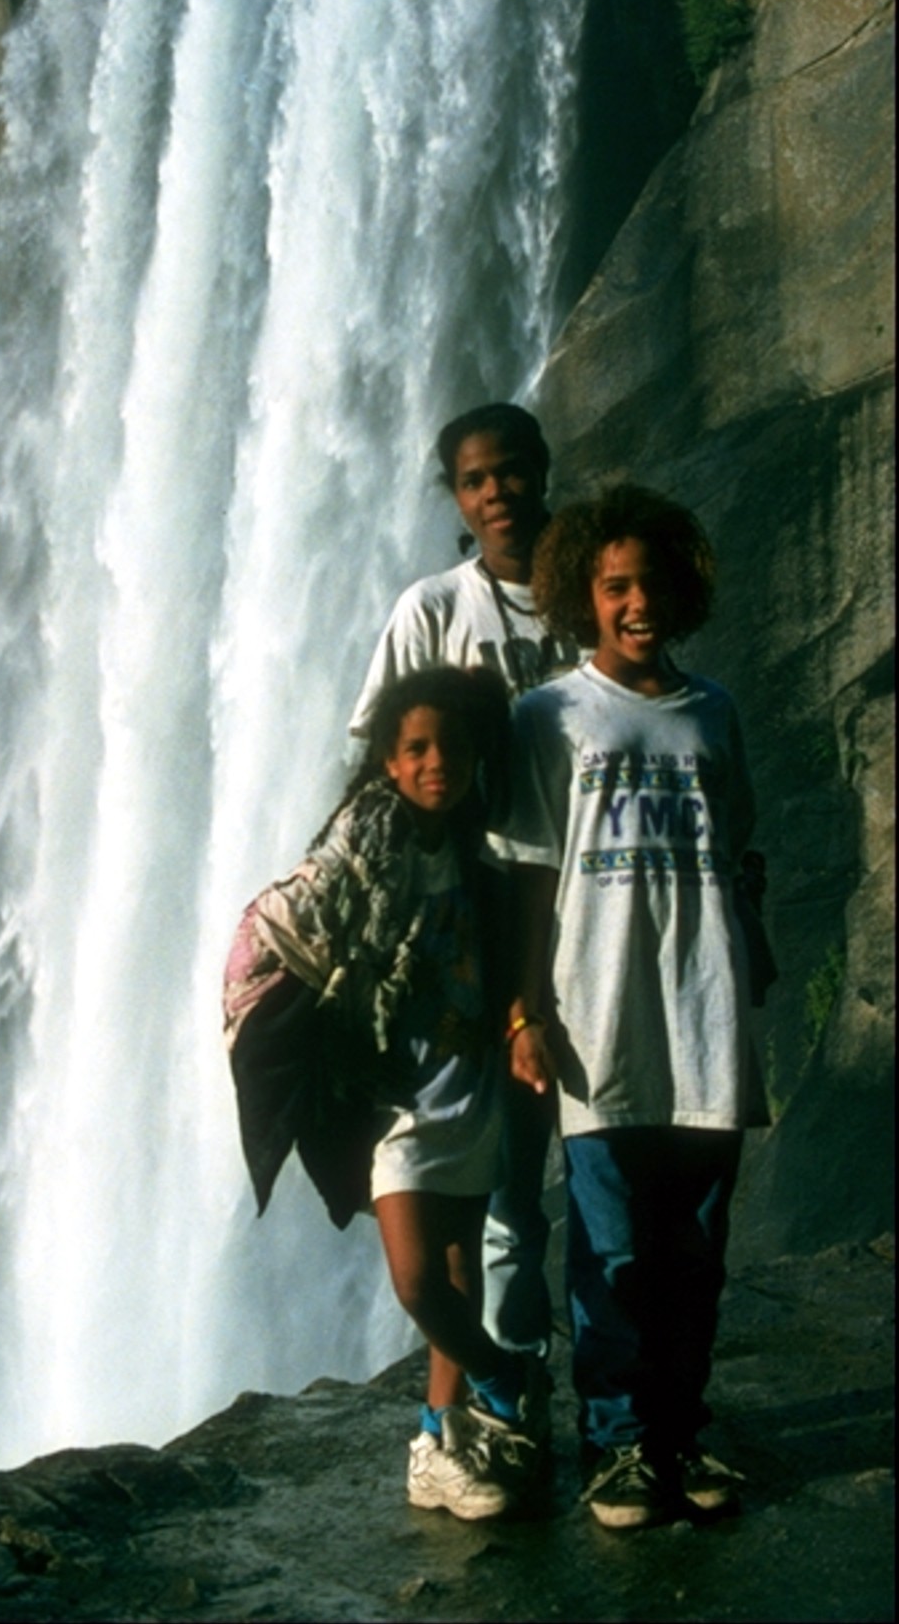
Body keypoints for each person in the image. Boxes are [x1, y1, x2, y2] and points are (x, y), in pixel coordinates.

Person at [224, 667, 548, 1521]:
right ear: (388, 763)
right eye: (416, 749)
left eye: (452, 746)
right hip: (394, 1099)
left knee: (459, 1267)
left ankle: (438, 1442)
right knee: (416, 1281)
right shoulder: (361, 846)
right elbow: (279, 920)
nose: (437, 762)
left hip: (467, 1085)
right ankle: (503, 1374)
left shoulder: (479, 852)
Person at [493, 484, 758, 1529]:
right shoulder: (548, 716)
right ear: (582, 597)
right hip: (597, 1020)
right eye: (614, 587)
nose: (635, 602)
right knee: (610, 1253)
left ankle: (679, 1432)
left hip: (707, 1020)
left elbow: (738, 856)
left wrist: (752, 977)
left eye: (650, 583)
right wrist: (525, 1013)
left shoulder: (713, 712)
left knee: (694, 1253)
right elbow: (527, 878)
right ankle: (615, 1445)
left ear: (681, 589)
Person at [350, 404, 580, 1390]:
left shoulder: (594, 597)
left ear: (543, 470)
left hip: (593, 903)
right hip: (476, 922)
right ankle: (503, 1395)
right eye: (475, 480)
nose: (497, 494)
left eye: (511, 471)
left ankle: (590, 1393)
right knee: (505, 1189)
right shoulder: (434, 609)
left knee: (578, 1169)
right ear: (454, 496)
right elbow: (379, 763)